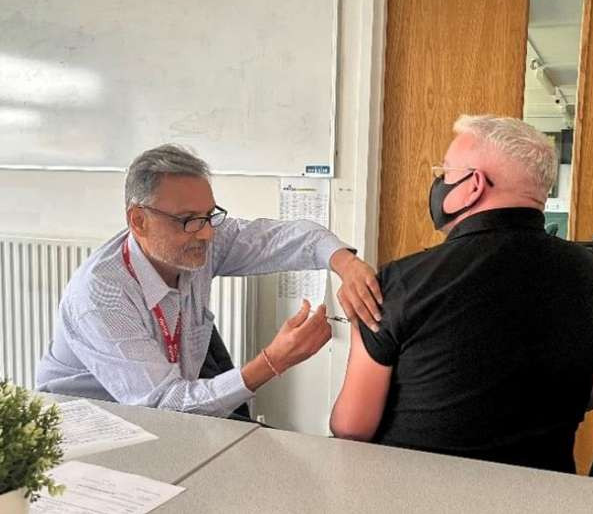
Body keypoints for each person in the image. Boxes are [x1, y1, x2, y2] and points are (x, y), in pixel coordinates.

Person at [330, 115, 593, 473]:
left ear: (475, 184)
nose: (439, 184)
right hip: (546, 495)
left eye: (445, 173)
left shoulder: (401, 282)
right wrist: (552, 404)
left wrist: (358, 329)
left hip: (415, 494)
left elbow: (351, 428)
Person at [36, 144, 383, 418]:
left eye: (209, 215)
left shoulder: (202, 237)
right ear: (139, 221)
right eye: (188, 220)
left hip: (166, 412)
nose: (204, 233)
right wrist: (272, 361)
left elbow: (293, 238)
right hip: (87, 428)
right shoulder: (100, 296)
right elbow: (163, 406)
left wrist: (346, 263)